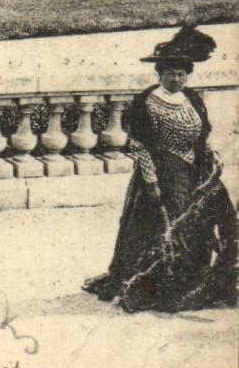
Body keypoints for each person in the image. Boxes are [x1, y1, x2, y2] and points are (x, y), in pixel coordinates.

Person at [83, 25, 237, 312]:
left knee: (199, 222)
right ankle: (148, 285)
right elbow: (138, 145)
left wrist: (210, 158)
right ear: (160, 74)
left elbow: (203, 135)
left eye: (182, 74)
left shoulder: (193, 99)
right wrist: (151, 182)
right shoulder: (146, 102)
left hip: (194, 172)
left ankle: (192, 282)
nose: (177, 79)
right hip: (160, 175)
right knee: (160, 226)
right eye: (171, 74)